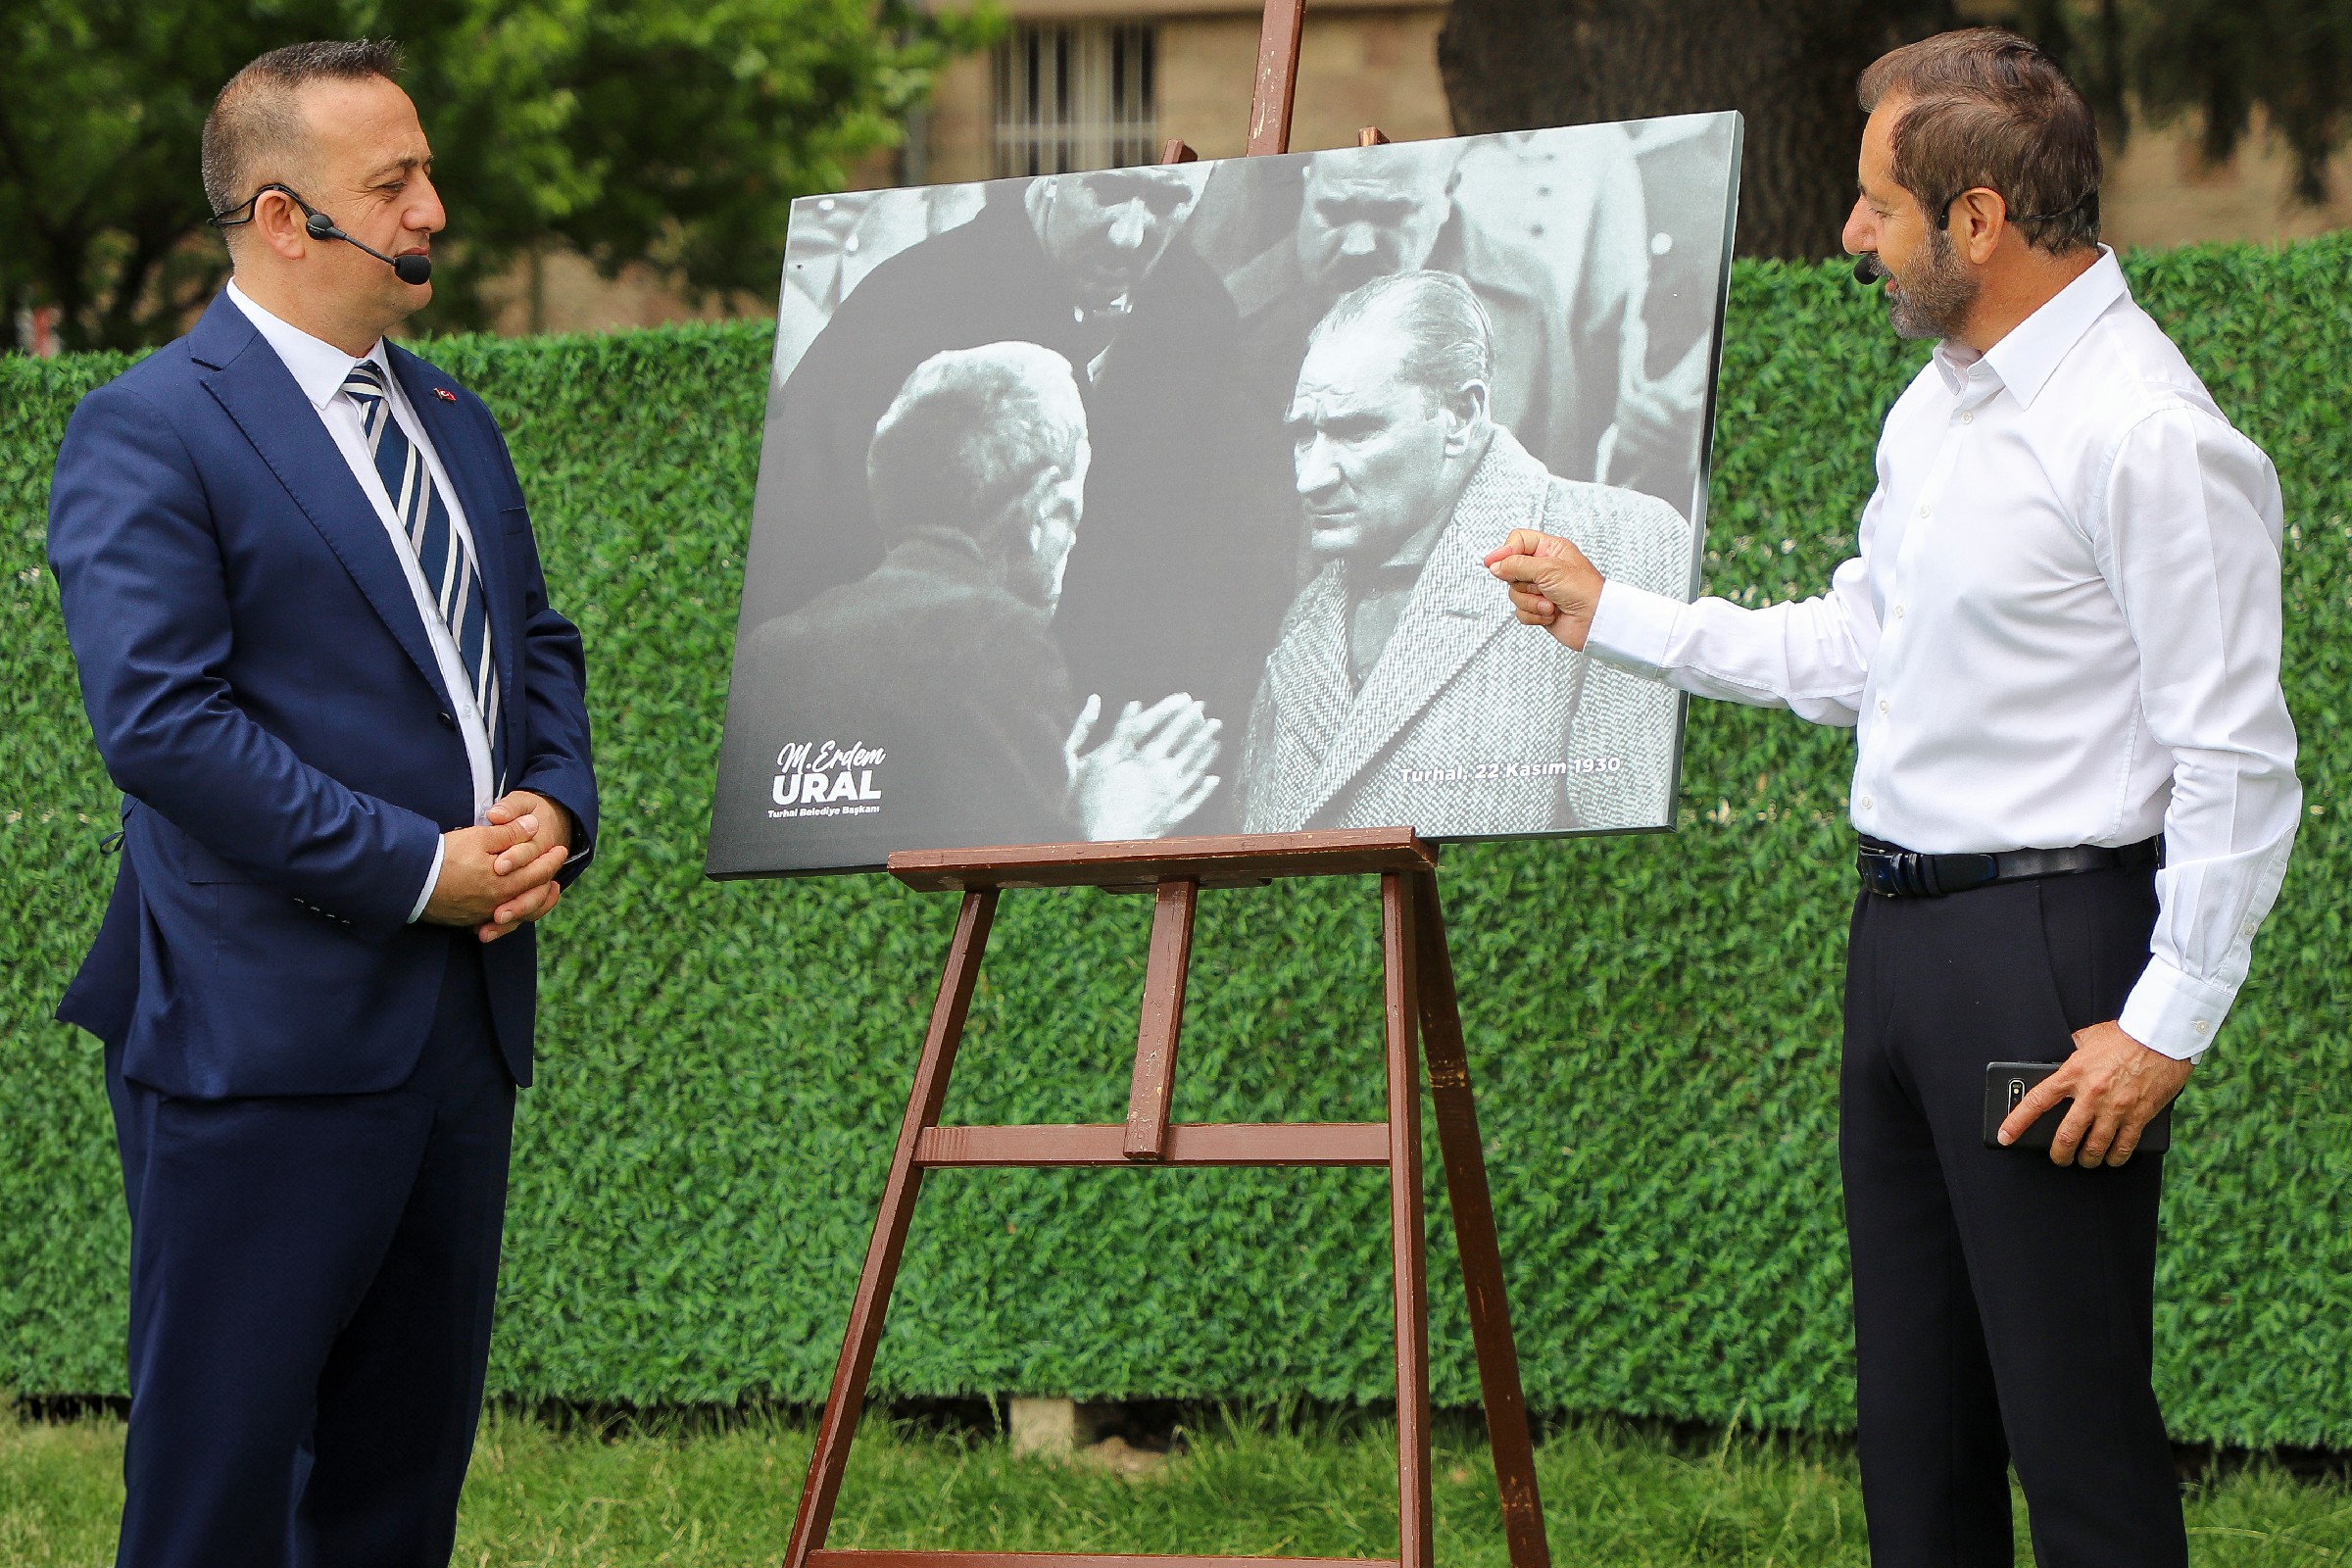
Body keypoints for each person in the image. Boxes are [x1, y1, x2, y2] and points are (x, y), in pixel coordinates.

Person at [1487, 30, 2299, 1567]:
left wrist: (2168, 1017)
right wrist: (1618, 613)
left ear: (1976, 219)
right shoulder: (1941, 405)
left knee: (2077, 1447)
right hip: (1903, 950)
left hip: (2053, 958)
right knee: (1916, 1439)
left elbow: (2238, 756)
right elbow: (1860, 644)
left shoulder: (2149, 434)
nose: (1853, 233)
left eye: (1877, 205)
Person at [44, 40, 598, 1566]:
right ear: (286, 217)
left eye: (425, 171)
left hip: (463, 1036)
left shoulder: (453, 415)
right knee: (217, 1495)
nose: (435, 207)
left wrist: (555, 799)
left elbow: (532, 640)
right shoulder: (150, 427)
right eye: (395, 183)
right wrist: (422, 870)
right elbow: (163, 725)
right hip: (253, 1047)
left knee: (397, 1488)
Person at [740, 165, 1270, 761]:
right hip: (922, 728)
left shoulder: (1199, 323)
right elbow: (806, 535)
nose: (1130, 234)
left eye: (1166, 202)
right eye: (1110, 192)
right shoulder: (912, 302)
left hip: (1116, 736)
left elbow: (1225, 554)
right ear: (1047, 180)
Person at [710, 343, 1220, 874]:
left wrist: (1044, 791)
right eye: (1071, 512)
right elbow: (1030, 903)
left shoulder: (769, 647)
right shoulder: (994, 635)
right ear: (1045, 508)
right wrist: (1104, 824)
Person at [1241, 271, 1690, 837]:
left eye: (1355, 431)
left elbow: (1626, 859)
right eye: (1304, 434)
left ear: (1461, 416)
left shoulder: (1622, 543)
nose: (1310, 478)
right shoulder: (1307, 618)